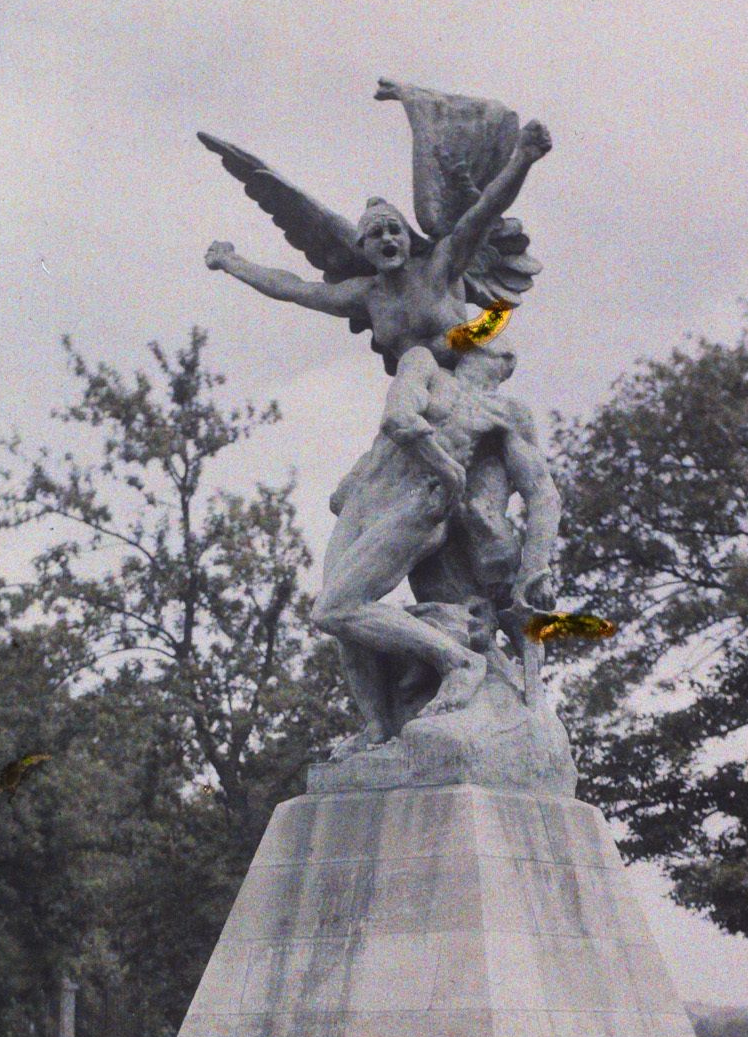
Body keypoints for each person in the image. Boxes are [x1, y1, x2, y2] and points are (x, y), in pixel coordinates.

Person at [311, 343, 560, 753]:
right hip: (361, 506)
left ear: (505, 364)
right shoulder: (424, 366)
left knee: (333, 610)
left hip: (416, 507)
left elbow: (542, 492)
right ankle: (377, 727)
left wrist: (536, 568)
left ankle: (457, 661)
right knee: (345, 627)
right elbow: (393, 423)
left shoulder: (505, 411)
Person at [204, 118, 551, 377]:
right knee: (411, 380)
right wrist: (230, 262)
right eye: (376, 234)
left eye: (394, 230)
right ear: (362, 247)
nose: (387, 239)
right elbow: (292, 288)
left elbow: (484, 211)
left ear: (407, 238)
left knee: (450, 355)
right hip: (422, 381)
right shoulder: (364, 295)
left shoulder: (439, 265)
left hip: (473, 354)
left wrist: (523, 158)